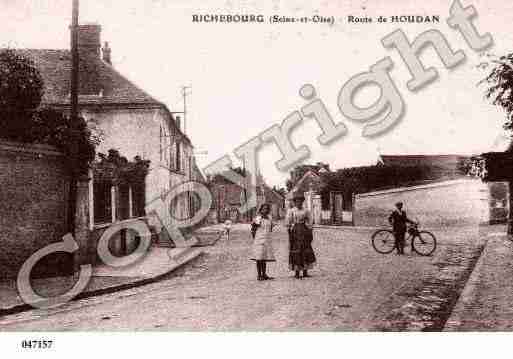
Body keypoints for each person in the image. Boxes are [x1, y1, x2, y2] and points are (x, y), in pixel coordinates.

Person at [285, 192, 316, 279]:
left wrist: (310, 230)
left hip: (304, 230)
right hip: (295, 231)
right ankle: (297, 272)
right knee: (296, 250)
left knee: (305, 249)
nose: (299, 203)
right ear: (294, 202)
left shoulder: (305, 210)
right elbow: (288, 223)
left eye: (300, 201)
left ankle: (305, 271)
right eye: (297, 201)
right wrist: (289, 233)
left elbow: (310, 221)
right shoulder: (291, 211)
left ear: (302, 202)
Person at [250, 203, 276, 281]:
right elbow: (253, 229)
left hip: (267, 239)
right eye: (264, 209)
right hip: (259, 239)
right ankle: (259, 275)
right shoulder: (258, 218)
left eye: (267, 209)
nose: (265, 210)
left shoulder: (270, 218)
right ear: (261, 210)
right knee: (259, 257)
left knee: (264, 257)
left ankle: (264, 274)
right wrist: (255, 238)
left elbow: (271, 228)